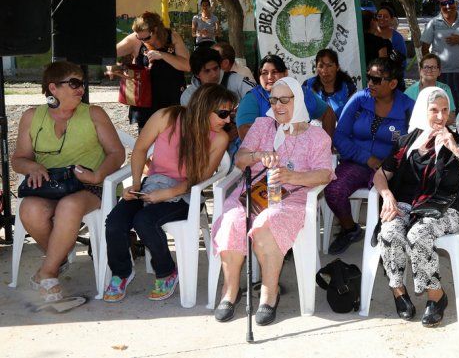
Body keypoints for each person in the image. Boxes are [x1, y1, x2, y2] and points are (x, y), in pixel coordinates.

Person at [211, 78, 334, 323]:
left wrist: (294, 176)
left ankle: (269, 293)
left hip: (292, 197)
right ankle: (231, 291)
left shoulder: (316, 136)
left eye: (284, 100)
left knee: (269, 221)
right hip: (254, 192)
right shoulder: (261, 126)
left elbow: (324, 173)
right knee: (233, 219)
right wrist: (258, 155)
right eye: (273, 100)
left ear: (297, 101)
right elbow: (240, 159)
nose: (278, 106)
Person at [103, 84, 233, 302]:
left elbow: (199, 178)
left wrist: (169, 192)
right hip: (151, 185)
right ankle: (121, 272)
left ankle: (166, 271)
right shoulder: (166, 117)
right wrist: (135, 184)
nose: (228, 120)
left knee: (145, 220)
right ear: (204, 108)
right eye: (223, 114)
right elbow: (140, 150)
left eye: (230, 114)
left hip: (184, 194)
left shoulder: (220, 138)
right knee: (115, 221)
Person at [11, 62, 125, 302]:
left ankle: (48, 272)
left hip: (91, 184)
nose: (80, 88)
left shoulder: (94, 113)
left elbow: (117, 153)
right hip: (51, 185)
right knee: (30, 209)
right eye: (73, 83)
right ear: (53, 88)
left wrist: (97, 175)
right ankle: (59, 256)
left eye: (82, 83)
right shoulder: (32, 116)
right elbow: (19, 159)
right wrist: (33, 166)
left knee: (69, 206)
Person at [374, 87, 459, 327]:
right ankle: (399, 291)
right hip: (407, 205)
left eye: (445, 111)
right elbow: (381, 174)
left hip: (444, 208)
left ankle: (436, 296)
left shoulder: (458, 141)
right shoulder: (408, 141)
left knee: (417, 234)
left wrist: (456, 150)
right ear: (423, 111)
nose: (440, 116)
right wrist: (387, 196)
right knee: (390, 233)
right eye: (434, 110)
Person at [326, 59, 415, 254]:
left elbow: (413, 144)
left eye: (376, 79)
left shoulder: (408, 107)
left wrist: (390, 163)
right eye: (369, 78)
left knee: (394, 204)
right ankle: (350, 229)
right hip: (357, 163)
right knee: (333, 191)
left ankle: (387, 239)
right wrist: (366, 158)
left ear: (392, 83)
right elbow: (339, 136)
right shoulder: (359, 100)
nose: (370, 84)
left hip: (392, 169)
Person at [114, 11, 190, 130]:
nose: (144, 41)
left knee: (173, 139)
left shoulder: (172, 37)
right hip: (146, 101)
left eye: (147, 37)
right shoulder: (136, 39)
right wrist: (113, 66)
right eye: (140, 37)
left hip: (171, 98)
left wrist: (163, 55)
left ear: (156, 30)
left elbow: (187, 66)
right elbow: (111, 53)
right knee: (147, 143)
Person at [235, 54, 336, 139]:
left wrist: (327, 145)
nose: (269, 77)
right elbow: (245, 132)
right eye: (264, 73)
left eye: (275, 72)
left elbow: (328, 114)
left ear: (285, 73)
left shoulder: (302, 93)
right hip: (266, 158)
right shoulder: (253, 98)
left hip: (303, 154)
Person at [421, 0, 459, 110]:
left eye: (450, 2)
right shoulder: (434, 23)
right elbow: (424, 47)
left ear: (455, 3)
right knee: (440, 107)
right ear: (440, 5)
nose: (447, 6)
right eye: (443, 3)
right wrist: (430, 69)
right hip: (440, 73)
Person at [181, 47, 253, 106]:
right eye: (207, 71)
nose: (214, 74)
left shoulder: (236, 80)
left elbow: (258, 97)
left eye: (215, 68)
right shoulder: (188, 96)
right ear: (197, 74)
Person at [301, 49, 357, 118]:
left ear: (337, 67)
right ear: (316, 68)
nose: (325, 70)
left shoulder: (348, 87)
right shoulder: (307, 86)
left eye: (329, 65)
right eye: (321, 66)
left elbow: (354, 115)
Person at [404, 53, 456, 122]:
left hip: (439, 129)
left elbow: (451, 117)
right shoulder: (409, 92)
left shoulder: (445, 89)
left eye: (434, 67)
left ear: (439, 72)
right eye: (426, 67)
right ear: (420, 71)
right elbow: (405, 118)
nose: (429, 70)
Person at [376, 4, 407, 70]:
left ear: (392, 19)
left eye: (386, 16)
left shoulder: (398, 38)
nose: (382, 18)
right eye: (379, 16)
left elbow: (402, 62)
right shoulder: (370, 35)